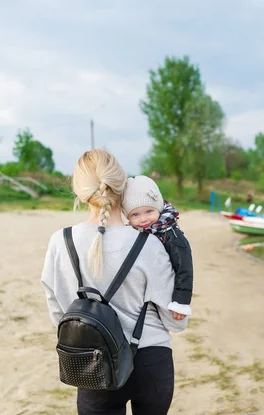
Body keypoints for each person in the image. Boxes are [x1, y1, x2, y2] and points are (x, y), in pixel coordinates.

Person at [41, 149, 187, 415]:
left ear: (80, 190)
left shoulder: (60, 242)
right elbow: (175, 321)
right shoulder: (149, 244)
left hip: (93, 361)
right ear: (123, 186)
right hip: (149, 359)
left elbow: (58, 313)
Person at [122, 175, 193, 321]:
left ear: (159, 208)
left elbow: (184, 269)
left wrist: (180, 301)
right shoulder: (130, 233)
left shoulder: (171, 234)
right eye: (135, 214)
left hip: (166, 290)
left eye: (149, 211)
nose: (143, 219)